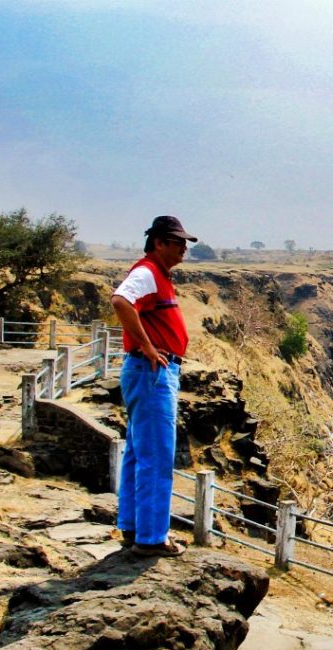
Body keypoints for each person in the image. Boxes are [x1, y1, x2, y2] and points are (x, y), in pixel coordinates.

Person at [110, 215, 198, 556]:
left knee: (138, 453)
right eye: (177, 243)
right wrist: (146, 345)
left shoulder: (159, 275)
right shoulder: (147, 272)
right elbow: (120, 301)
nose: (183, 249)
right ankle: (151, 539)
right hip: (152, 373)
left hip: (150, 372)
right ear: (158, 242)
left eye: (185, 244)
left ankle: (134, 528)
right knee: (157, 455)